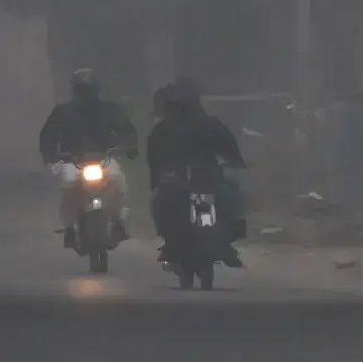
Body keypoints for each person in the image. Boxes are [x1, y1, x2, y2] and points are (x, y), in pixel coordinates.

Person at [147, 76, 245, 268]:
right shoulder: (165, 128)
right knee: (162, 202)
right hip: (177, 180)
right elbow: (154, 156)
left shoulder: (210, 124)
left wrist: (236, 161)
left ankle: (224, 240)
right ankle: (171, 242)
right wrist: (162, 173)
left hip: (208, 179)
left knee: (232, 196)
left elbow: (229, 147)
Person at [37, 68, 138, 248]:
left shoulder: (110, 110)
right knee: (68, 187)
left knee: (119, 184)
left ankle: (119, 222)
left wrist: (127, 147)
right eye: (82, 90)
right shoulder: (62, 112)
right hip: (72, 160)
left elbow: (126, 130)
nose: (86, 95)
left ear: (97, 90)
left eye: (89, 90)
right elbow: (48, 136)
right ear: (74, 91)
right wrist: (51, 156)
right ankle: (69, 225)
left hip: (105, 158)